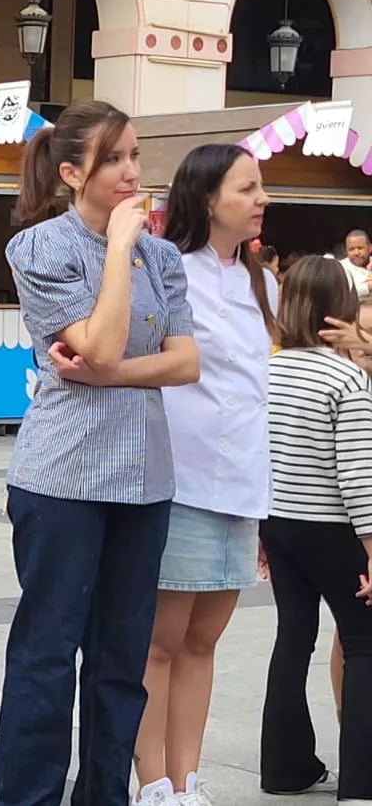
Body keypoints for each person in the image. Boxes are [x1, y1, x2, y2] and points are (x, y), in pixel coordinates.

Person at [0, 100, 199, 806]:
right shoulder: (40, 247)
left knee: (121, 663)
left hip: (146, 478)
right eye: (113, 159)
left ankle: (107, 796)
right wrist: (115, 247)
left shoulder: (165, 255)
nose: (131, 173)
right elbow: (105, 338)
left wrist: (105, 373)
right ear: (72, 172)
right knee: (48, 655)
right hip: (63, 478)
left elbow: (185, 362)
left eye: (135, 156)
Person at [132, 143, 276, 805]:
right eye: (248, 188)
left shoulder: (262, 282)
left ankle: (188, 781)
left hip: (242, 484)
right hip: (179, 479)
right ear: (208, 197)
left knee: (203, 641)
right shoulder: (169, 270)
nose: (262, 199)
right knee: (160, 641)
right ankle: (152, 781)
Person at [258, 254, 372, 799]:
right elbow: (356, 471)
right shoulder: (344, 376)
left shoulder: (269, 367)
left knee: (293, 636)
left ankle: (284, 768)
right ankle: (362, 779)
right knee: (364, 641)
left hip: (279, 520)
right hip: (334, 525)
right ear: (340, 306)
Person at [341, 230, 371, 295]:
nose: (356, 253)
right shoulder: (340, 268)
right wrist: (367, 287)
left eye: (360, 248)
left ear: (370, 248)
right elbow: (340, 293)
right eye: (351, 249)